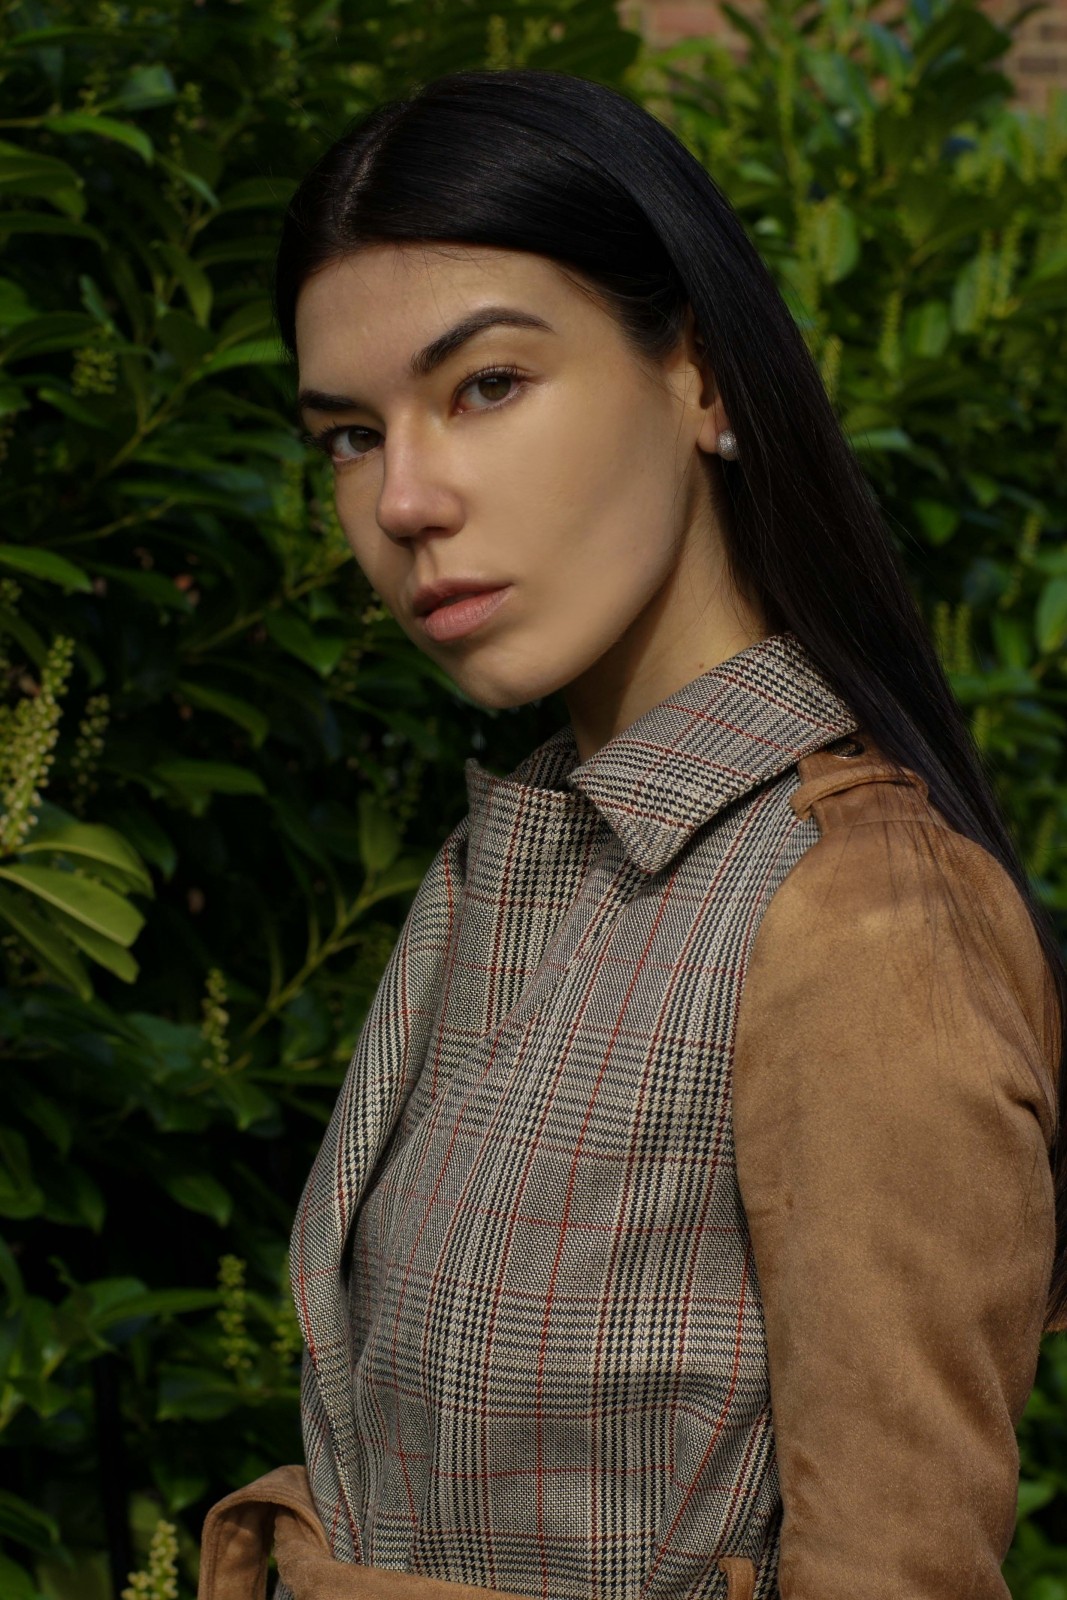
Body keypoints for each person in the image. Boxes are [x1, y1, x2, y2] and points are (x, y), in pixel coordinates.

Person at [196, 67, 1065, 1600]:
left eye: (487, 386)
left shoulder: (855, 926)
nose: (404, 499)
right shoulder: (522, 863)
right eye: (347, 434)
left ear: (703, 379)